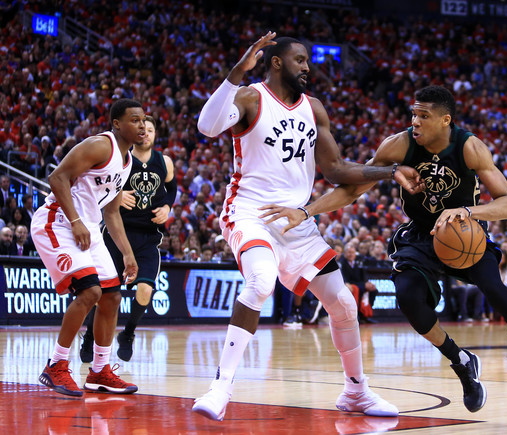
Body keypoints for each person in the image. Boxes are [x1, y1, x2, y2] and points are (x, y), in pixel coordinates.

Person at [261, 85, 507, 418]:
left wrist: (469, 212)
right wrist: (306, 211)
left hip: (464, 232)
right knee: (409, 300)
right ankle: (461, 361)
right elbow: (352, 190)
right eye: (413, 114)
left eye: (424, 116)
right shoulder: (398, 145)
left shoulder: (469, 147)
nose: (415, 121)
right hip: (419, 237)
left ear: (445, 120)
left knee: (497, 292)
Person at [191, 32, 418, 421]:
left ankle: (356, 393)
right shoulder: (250, 97)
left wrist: (390, 170)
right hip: (252, 213)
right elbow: (207, 126)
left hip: (297, 221)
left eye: (308, 61)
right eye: (300, 60)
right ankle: (220, 387)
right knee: (261, 281)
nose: (307, 67)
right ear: (276, 62)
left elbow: (336, 170)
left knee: (344, 303)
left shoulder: (314, 108)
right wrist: (236, 72)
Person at [31, 98, 143, 397]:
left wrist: (128, 253)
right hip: (58, 222)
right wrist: (76, 220)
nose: (142, 125)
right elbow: (57, 177)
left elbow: (112, 212)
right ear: (116, 124)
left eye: (144, 120)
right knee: (90, 291)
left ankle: (99, 372)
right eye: (134, 119)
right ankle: (55, 366)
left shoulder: (127, 161)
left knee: (111, 295)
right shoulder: (99, 146)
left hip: (89, 228)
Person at [80, 115, 176, 362]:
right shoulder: (121, 159)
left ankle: (128, 334)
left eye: (150, 129)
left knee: (145, 290)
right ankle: (90, 335)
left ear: (155, 135)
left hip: (147, 237)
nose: (145, 132)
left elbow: (172, 189)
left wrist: (167, 207)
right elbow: (100, 183)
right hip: (116, 234)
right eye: (141, 129)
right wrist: (117, 195)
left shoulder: (164, 162)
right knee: (104, 293)